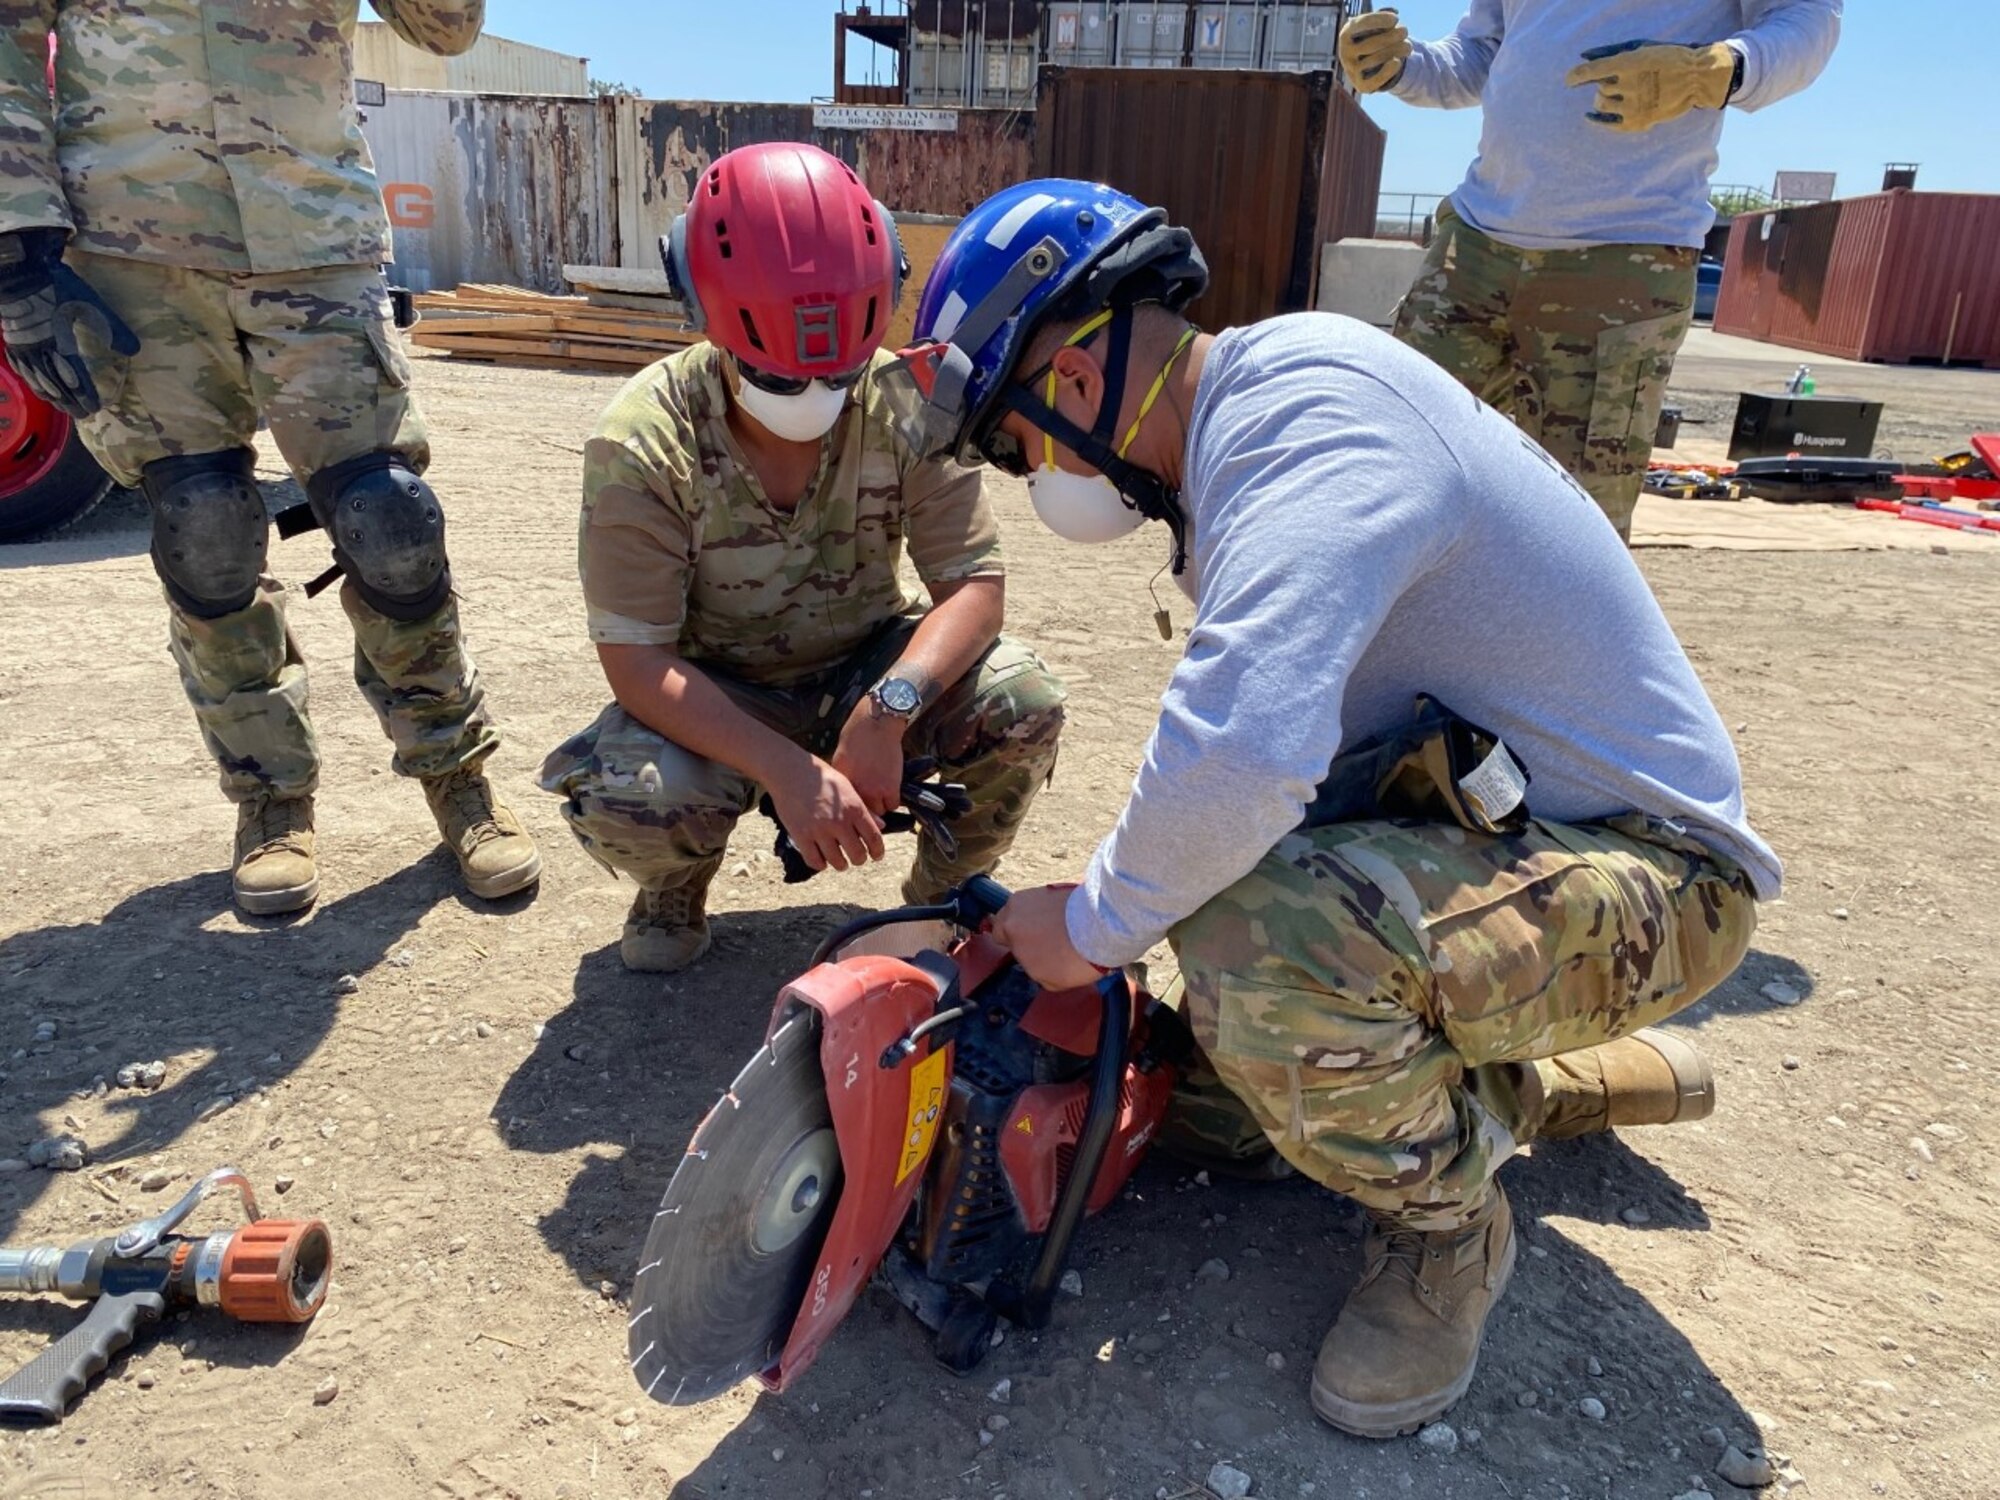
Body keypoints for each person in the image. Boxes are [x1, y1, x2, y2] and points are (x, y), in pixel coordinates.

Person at [894, 180, 1777, 1438]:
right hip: (1518, 847)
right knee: (1213, 1101)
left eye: (1011, 438)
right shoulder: (1251, 439)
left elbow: (1244, 755)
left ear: (1074, 381)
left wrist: (1091, 922)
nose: (1028, 469)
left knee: (1261, 960)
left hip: (1655, 876)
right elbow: (1269, 767)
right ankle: (1543, 1090)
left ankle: (1448, 1234)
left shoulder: (1307, 422)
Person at [0, 1, 540, 915]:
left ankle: (459, 778)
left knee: (392, 522)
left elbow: (446, 29)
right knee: (202, 530)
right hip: (135, 241)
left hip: (311, 233)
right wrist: (15, 239)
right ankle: (271, 800)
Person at [538, 144, 1065, 975]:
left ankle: (943, 899)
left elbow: (973, 587)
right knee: (632, 794)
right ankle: (673, 886)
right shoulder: (641, 439)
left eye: (841, 375)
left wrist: (885, 710)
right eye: (779, 381)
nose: (816, 400)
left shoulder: (906, 404)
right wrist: (787, 770)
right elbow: (637, 663)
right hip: (724, 694)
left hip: (863, 668)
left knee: (1022, 698)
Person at [1337, 1, 1843, 539]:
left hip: (1621, 258)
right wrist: (1403, 66)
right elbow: (1485, 52)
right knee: (1398, 478)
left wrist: (1715, 70)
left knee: (1574, 533)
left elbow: (1807, 19)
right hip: (1475, 245)